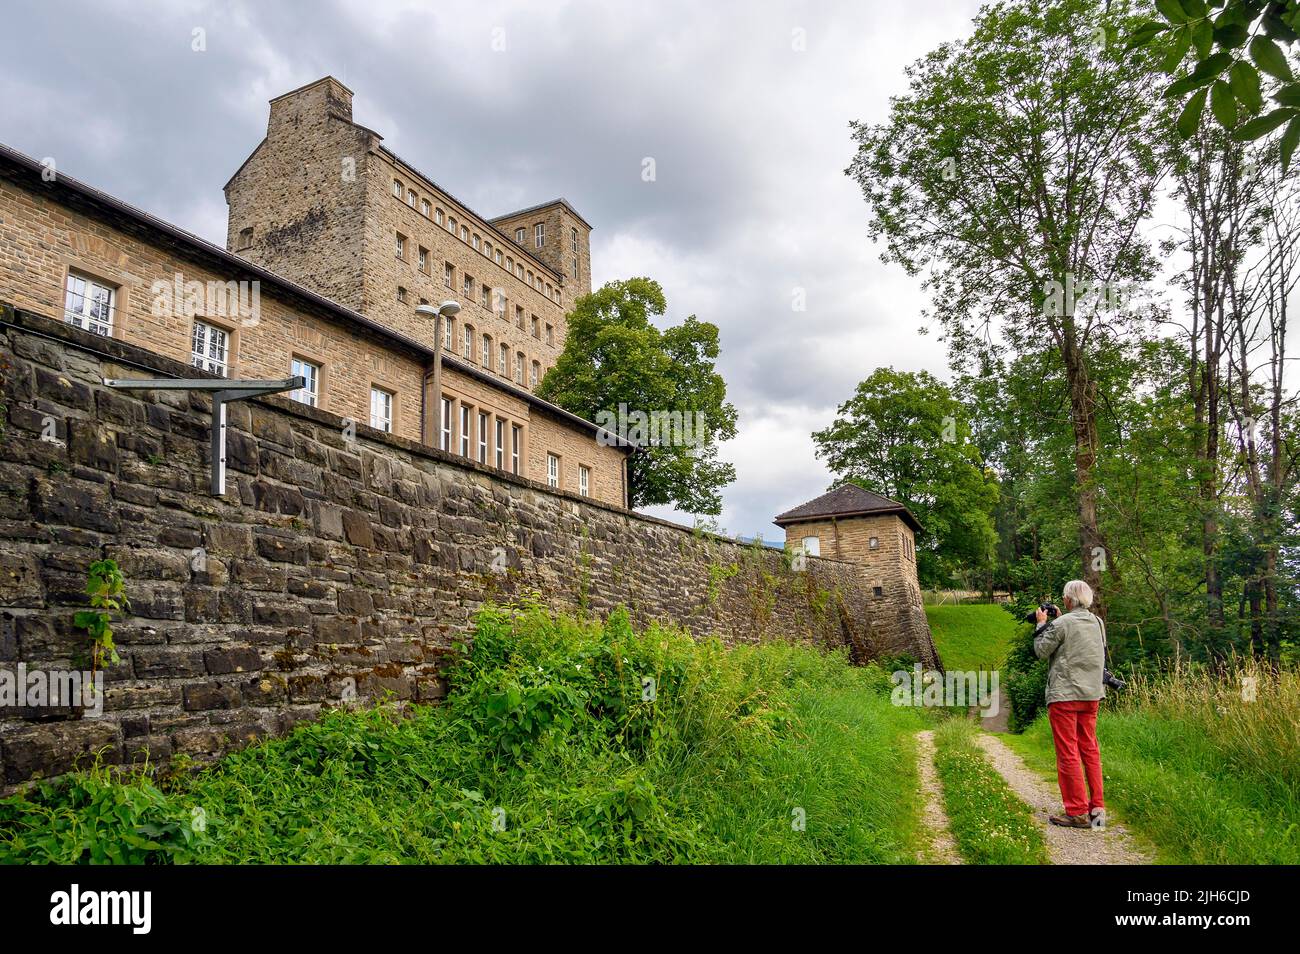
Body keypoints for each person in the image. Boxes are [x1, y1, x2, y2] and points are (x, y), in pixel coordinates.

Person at [1033, 579, 1107, 829]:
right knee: (1090, 750)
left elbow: (1041, 651)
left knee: (1068, 752)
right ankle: (1097, 812)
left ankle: (1076, 812)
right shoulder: (1098, 622)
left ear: (1067, 600)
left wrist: (1042, 624)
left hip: (1065, 695)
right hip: (1092, 694)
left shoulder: (1060, 623)